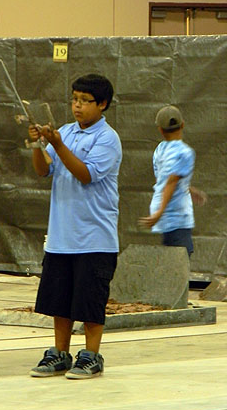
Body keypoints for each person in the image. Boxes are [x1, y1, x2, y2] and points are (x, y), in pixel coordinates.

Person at [28, 74, 122, 379]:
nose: (77, 106)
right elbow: (44, 170)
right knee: (61, 299)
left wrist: (57, 143)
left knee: (90, 300)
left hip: (95, 238)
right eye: (74, 99)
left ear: (102, 104)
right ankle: (60, 353)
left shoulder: (107, 138)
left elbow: (85, 174)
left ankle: (91, 355)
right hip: (61, 236)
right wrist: (37, 145)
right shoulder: (65, 132)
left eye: (84, 101)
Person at [138, 105, 206, 256]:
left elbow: (163, 179)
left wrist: (190, 189)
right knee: (179, 264)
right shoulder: (185, 152)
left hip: (164, 217)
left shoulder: (160, 150)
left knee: (169, 261)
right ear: (182, 124)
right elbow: (171, 182)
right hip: (177, 216)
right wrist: (160, 212)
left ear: (160, 129)